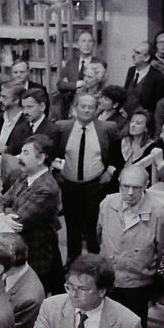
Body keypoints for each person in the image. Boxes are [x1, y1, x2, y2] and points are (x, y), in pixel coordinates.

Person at [97, 165, 164, 325]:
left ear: (145, 186)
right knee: (107, 323)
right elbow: (100, 236)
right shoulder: (107, 204)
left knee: (134, 326)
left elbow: (162, 251)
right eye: (125, 186)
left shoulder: (158, 213)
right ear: (119, 183)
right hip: (110, 278)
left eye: (136, 188)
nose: (129, 193)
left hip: (138, 283)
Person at [57, 92, 122, 260]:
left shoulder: (108, 128)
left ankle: (95, 262)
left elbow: (117, 155)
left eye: (90, 107)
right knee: (72, 227)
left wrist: (110, 170)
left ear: (96, 110)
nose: (86, 110)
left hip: (95, 185)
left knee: (94, 226)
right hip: (69, 186)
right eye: (82, 106)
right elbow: (53, 153)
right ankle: (73, 261)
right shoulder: (62, 128)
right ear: (74, 108)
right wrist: (57, 173)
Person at [0, 135, 65, 294]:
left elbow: (19, 221)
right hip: (20, 254)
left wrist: (6, 214)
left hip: (36, 259)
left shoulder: (46, 188)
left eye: (25, 153)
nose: (19, 157)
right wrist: (6, 215)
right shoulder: (23, 177)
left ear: (41, 158)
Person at [124, 41, 164, 117]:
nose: (133, 55)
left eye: (138, 53)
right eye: (134, 51)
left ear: (147, 58)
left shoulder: (159, 78)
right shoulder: (131, 71)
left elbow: (159, 108)